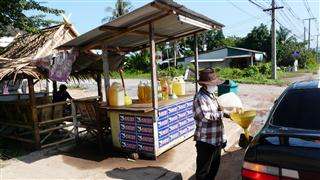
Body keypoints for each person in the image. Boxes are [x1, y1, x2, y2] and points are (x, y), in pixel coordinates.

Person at [193, 67, 230, 180]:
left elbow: (218, 113)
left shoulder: (212, 96)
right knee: (203, 173)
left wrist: (223, 138)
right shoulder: (200, 98)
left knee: (213, 170)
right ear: (204, 85)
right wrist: (223, 114)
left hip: (216, 140)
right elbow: (205, 117)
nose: (214, 86)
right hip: (206, 141)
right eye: (212, 84)